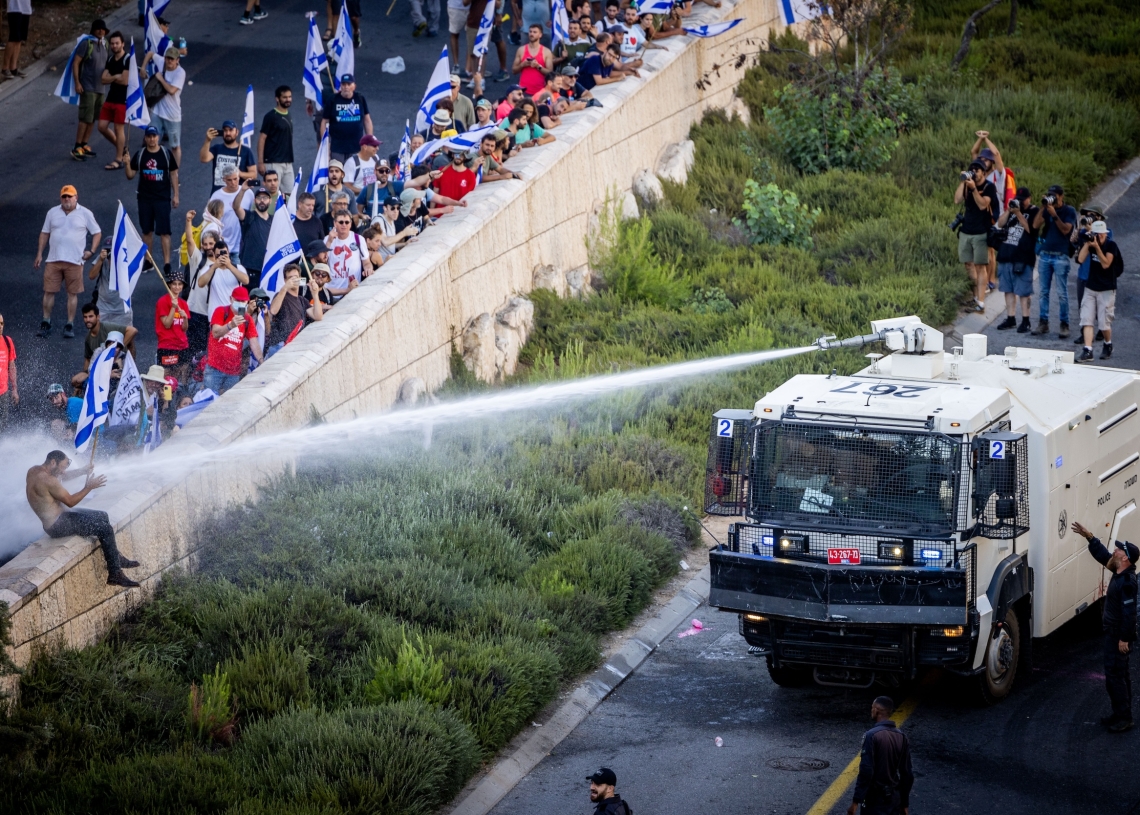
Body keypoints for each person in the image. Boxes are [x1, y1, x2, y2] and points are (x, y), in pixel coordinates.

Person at [27, 451, 140, 587]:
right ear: (53, 462)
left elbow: (63, 476)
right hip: (58, 525)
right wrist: (89, 487)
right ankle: (115, 574)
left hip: (60, 518)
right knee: (105, 529)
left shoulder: (34, 471)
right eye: (63, 467)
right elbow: (70, 501)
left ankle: (116, 558)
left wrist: (82, 471)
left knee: (102, 515)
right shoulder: (49, 480)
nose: (64, 472)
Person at [1073, 521, 1138, 733]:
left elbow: (1129, 615)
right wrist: (1090, 537)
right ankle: (1121, 713)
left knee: (1115, 676)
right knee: (1119, 675)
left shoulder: (1126, 582)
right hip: (1114, 634)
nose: (1115, 550)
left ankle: (1124, 717)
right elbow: (1103, 556)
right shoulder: (1119, 571)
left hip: (1117, 635)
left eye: (1119, 549)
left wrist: (1124, 639)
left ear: (1125, 557)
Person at [35, 185, 102, 340]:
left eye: (69, 196)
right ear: (60, 198)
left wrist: (91, 251)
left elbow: (97, 232)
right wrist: (39, 254)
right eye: (64, 196)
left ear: (76, 197)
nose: (67, 199)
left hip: (75, 260)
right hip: (53, 259)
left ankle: (69, 323)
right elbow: (45, 233)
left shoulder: (85, 213)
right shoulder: (52, 212)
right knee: (49, 291)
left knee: (72, 293)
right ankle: (46, 321)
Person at [126, 124, 180, 273]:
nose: (151, 139)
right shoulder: (141, 154)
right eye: (149, 136)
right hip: (144, 199)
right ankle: (148, 261)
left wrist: (176, 195)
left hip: (162, 198)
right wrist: (126, 163)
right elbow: (130, 175)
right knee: (147, 231)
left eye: (154, 136)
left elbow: (174, 173)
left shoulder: (166, 154)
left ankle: (167, 263)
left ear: (158, 137)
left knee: (165, 232)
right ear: (145, 138)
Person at [847, 697, 914, 815]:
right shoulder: (902, 737)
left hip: (875, 800)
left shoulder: (871, 735)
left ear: (876, 710)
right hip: (894, 798)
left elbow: (866, 771)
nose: (871, 711)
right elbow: (907, 774)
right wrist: (904, 804)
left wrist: (855, 801)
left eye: (872, 708)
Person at [1030, 184, 1076, 337]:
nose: (1053, 198)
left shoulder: (1069, 211)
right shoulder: (1047, 209)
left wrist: (1054, 214)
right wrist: (1044, 208)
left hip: (1060, 255)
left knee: (1062, 293)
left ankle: (1064, 324)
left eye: (1055, 196)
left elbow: (1066, 230)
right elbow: (1035, 225)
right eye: (1050, 195)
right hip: (1045, 255)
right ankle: (1043, 323)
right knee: (1043, 292)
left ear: (1061, 196)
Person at [1076, 220, 1123, 362]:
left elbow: (1105, 264)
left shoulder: (1111, 245)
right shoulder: (1092, 243)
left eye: (1100, 235)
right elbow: (1080, 259)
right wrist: (1087, 243)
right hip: (1091, 287)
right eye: (1095, 234)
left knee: (1103, 323)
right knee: (1086, 319)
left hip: (1107, 289)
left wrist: (1097, 247)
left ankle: (1108, 344)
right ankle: (1088, 350)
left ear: (1105, 233)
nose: (1098, 237)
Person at [953, 160, 995, 314]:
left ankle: (981, 302)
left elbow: (983, 205)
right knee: (968, 265)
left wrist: (974, 189)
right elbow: (957, 200)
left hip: (981, 232)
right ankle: (976, 297)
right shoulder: (967, 184)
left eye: (977, 170)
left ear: (983, 172)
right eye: (972, 170)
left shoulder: (989, 187)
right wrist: (963, 182)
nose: (974, 173)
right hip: (966, 231)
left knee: (980, 266)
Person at [993, 187, 1037, 334]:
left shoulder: (1033, 212)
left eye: (1023, 199)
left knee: (1024, 291)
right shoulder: (1012, 210)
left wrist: (1019, 213)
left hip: (1023, 258)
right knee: (1008, 289)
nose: (1021, 202)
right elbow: (999, 224)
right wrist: (1008, 210)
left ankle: (1026, 320)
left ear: (1029, 198)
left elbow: (1030, 229)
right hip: (1006, 254)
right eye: (1019, 199)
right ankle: (1010, 318)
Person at [206, 286, 261, 393]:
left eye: (243, 301)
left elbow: (254, 343)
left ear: (247, 302)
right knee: (208, 402)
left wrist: (261, 361)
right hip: (214, 368)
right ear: (231, 299)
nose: (240, 303)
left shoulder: (247, 319)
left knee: (229, 406)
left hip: (233, 372)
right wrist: (230, 325)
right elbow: (215, 333)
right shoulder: (221, 311)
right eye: (237, 300)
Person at [70, 19, 109, 161]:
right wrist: (77, 82)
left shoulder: (105, 44)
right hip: (88, 87)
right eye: (98, 29)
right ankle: (76, 147)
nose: (101, 31)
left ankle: (84, 145)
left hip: (100, 88)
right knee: (85, 118)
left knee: (93, 118)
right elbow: (76, 62)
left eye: (103, 29)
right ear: (93, 30)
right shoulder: (86, 43)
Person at [266, 264, 323, 356]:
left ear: (300, 278)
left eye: (296, 277)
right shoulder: (280, 295)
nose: (294, 280)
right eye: (290, 278)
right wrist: (284, 288)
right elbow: (273, 310)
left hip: (294, 345)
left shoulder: (302, 300)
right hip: (279, 345)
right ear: (285, 280)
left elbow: (318, 316)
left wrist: (315, 294)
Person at [320, 74, 373, 163]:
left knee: (355, 174)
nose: (346, 87)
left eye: (349, 84)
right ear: (340, 86)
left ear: (354, 86)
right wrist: (325, 145)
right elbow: (324, 122)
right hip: (337, 148)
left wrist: (370, 141)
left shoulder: (360, 98)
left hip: (357, 148)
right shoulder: (333, 100)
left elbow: (367, 120)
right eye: (344, 84)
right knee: (337, 175)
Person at [147, 46, 187, 167]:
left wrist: (160, 78)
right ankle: (153, 169)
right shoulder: (161, 62)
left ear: (177, 60)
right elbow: (150, 53)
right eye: (167, 58)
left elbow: (171, 90)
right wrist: (143, 68)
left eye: (172, 59)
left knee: (175, 146)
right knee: (151, 142)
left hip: (172, 115)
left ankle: (175, 174)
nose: (169, 61)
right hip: (157, 111)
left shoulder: (180, 73)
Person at [96, 32, 130, 170]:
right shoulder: (110, 59)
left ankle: (119, 159)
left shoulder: (128, 59)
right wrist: (116, 76)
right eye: (113, 43)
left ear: (123, 44)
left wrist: (113, 77)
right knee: (102, 127)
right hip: (111, 98)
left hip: (123, 100)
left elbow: (124, 80)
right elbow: (103, 79)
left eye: (117, 43)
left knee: (118, 129)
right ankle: (122, 148)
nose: (114, 46)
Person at [232, 182, 274, 289]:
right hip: (250, 268)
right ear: (254, 201)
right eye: (259, 198)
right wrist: (243, 190)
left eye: (265, 198)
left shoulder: (275, 220)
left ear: (270, 201)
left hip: (268, 268)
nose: (262, 200)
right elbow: (236, 207)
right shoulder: (249, 216)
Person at [324, 210, 373, 298]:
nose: (344, 225)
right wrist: (329, 241)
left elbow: (366, 262)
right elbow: (322, 262)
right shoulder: (327, 239)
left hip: (352, 292)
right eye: (341, 222)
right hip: (332, 291)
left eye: (347, 222)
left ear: (350, 224)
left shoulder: (358, 239)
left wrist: (368, 269)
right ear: (335, 223)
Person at [197, 241, 250, 322]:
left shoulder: (238, 267)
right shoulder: (210, 268)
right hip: (215, 316)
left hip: (236, 315)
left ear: (228, 253)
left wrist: (229, 265)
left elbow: (246, 281)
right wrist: (214, 266)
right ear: (214, 256)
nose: (222, 257)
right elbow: (200, 283)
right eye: (218, 256)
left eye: (224, 254)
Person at [200, 121, 257, 194]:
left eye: (231, 130)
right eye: (225, 130)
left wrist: (240, 173)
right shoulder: (217, 148)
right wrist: (207, 141)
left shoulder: (246, 151)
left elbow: (253, 175)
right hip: (218, 193)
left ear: (237, 132)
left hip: (238, 195)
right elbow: (204, 159)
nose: (228, 133)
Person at [208, 165, 254, 255]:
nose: (233, 183)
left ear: (239, 177)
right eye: (229, 180)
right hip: (223, 244)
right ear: (223, 179)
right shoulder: (216, 196)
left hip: (242, 244)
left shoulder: (248, 193)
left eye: (235, 179)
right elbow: (210, 220)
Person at [80, 304, 137, 375]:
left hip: (120, 362)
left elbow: (133, 331)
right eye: (85, 317)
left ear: (98, 317)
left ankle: (131, 372)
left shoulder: (107, 327)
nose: (88, 320)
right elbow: (88, 359)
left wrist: (119, 349)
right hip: (103, 369)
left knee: (130, 342)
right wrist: (86, 375)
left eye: (91, 316)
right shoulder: (88, 338)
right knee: (76, 380)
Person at [87, 236, 132, 326]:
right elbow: (91, 276)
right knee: (99, 338)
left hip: (122, 310)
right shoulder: (101, 259)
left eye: (111, 250)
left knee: (126, 338)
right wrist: (100, 260)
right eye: (106, 250)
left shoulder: (125, 259)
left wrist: (115, 260)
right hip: (103, 309)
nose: (109, 253)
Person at [155, 270, 190, 383]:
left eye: (179, 284)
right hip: (167, 345)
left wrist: (184, 318)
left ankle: (180, 400)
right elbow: (167, 324)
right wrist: (173, 308)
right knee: (166, 380)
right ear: (169, 284)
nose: (177, 287)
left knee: (181, 378)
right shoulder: (162, 301)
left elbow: (184, 328)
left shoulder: (184, 303)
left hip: (182, 345)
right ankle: (165, 401)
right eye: (174, 284)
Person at [258, 85, 295, 193]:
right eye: (284, 97)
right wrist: (261, 162)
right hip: (273, 162)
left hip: (288, 163)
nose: (288, 99)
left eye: (289, 97)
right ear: (277, 99)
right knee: (273, 194)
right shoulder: (271, 116)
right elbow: (262, 139)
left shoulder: (289, 115)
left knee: (289, 196)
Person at [513, 24, 552, 97]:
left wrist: (538, 66)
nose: (531, 34)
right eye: (530, 32)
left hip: (540, 91)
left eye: (534, 32)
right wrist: (522, 65)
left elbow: (550, 72)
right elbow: (514, 70)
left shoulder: (546, 52)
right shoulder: (521, 50)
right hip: (523, 91)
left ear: (540, 35)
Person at [2, 0, 32, 79]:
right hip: (14, 8)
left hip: (26, 8)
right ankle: (5, 68)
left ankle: (13, 68)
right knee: (13, 38)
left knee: (19, 39)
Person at [0, 313, 16, 432]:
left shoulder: (7, 341)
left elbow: (12, 366)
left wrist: (14, 389)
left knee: (3, 423)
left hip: (3, 391)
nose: (0, 326)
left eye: (2, 323)